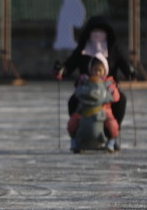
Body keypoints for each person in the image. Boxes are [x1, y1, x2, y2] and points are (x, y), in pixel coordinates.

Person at [56, 16, 133, 144]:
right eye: (94, 31)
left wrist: (130, 71)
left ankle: (112, 134)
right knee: (73, 102)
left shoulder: (113, 50)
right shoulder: (82, 50)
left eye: (101, 32)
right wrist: (61, 70)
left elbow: (124, 65)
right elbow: (69, 66)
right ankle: (76, 133)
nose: (98, 35)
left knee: (121, 101)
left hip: (108, 89)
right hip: (86, 88)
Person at [67, 54, 120, 152]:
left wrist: (111, 93)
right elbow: (78, 91)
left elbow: (116, 97)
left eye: (99, 70)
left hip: (103, 109)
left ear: (105, 71)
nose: (97, 73)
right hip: (85, 108)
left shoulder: (108, 83)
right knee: (74, 120)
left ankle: (111, 141)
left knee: (112, 123)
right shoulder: (86, 81)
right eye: (95, 70)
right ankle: (74, 139)